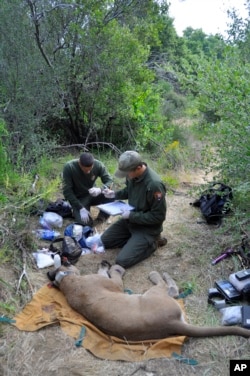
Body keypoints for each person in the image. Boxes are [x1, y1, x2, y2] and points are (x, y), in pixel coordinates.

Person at [101, 150, 167, 268]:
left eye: (127, 173)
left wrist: (131, 216)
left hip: (147, 228)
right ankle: (134, 241)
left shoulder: (154, 185)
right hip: (131, 221)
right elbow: (129, 191)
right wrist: (114, 194)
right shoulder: (132, 176)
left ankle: (153, 242)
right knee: (104, 241)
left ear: (138, 168)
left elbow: (159, 216)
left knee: (122, 261)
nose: (126, 176)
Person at [62, 152, 114, 226]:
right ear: (79, 163)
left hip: (92, 194)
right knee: (85, 224)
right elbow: (67, 191)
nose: (88, 172)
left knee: (111, 194)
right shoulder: (69, 167)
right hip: (79, 199)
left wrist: (100, 189)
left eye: (90, 169)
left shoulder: (98, 165)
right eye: (86, 170)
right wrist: (80, 207)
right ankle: (77, 211)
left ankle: (102, 217)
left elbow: (109, 181)